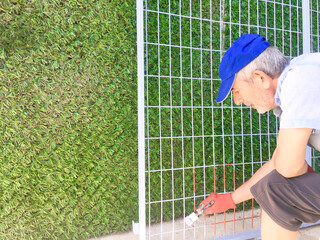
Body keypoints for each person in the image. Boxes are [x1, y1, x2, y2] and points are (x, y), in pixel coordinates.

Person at [198, 34, 320, 240]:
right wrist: (230, 199)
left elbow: (288, 167)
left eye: (236, 90)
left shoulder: (299, 81)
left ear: (260, 78)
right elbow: (278, 163)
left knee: (274, 191)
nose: (237, 101)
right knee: (274, 186)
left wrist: (292, 167)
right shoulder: (301, 76)